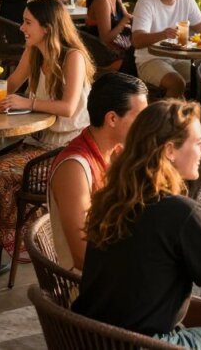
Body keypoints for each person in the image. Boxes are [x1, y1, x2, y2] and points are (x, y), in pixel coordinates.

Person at [74, 100, 201, 350]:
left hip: (90, 336)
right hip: (143, 344)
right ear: (169, 150)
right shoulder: (181, 212)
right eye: (198, 142)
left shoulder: (114, 198)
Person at [0, 0, 95, 261]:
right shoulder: (34, 51)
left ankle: (21, 240)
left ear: (47, 27)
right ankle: (17, 233)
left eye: (27, 22)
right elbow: (9, 85)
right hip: (41, 142)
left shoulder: (73, 57)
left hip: (69, 148)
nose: (21, 27)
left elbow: (68, 108)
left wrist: (28, 102)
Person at [48, 72, 149, 270]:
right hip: (88, 286)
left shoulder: (119, 152)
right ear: (112, 118)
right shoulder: (74, 168)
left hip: (121, 263)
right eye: (140, 118)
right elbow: (83, 257)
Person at [131, 0, 201, 97]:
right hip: (150, 59)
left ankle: (195, 115)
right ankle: (168, 118)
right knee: (177, 83)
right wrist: (164, 34)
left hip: (180, 58)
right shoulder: (146, 3)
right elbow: (137, 41)